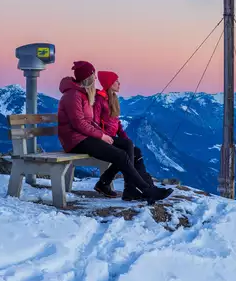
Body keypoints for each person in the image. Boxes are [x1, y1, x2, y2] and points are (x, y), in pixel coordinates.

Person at [57, 61, 166, 203]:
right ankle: (146, 190)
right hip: (76, 141)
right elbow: (79, 124)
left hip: (85, 137)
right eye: (93, 76)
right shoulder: (73, 96)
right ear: (87, 78)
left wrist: (103, 135)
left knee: (127, 145)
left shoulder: (81, 94)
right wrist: (101, 135)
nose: (95, 79)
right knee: (120, 155)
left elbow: (89, 122)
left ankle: (129, 189)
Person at [92, 69, 166, 199]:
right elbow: (94, 123)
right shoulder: (100, 100)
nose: (119, 84)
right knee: (126, 152)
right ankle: (130, 188)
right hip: (104, 139)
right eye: (116, 81)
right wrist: (104, 137)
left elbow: (117, 124)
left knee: (135, 152)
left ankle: (109, 183)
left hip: (112, 139)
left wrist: (126, 141)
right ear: (109, 84)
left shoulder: (112, 99)